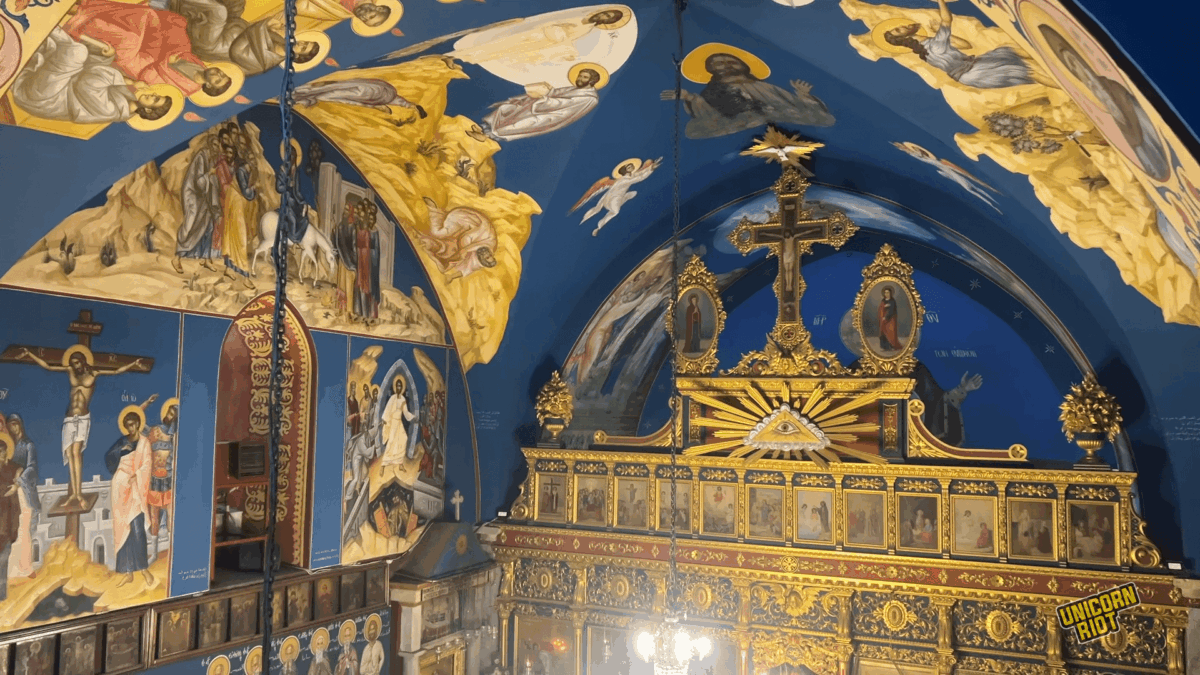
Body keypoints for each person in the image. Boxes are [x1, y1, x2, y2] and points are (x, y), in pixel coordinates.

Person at [16, 345, 145, 508]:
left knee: (77, 453)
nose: (75, 365)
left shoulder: (93, 373)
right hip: (69, 418)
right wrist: (29, 353)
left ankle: (79, 494)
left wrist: (133, 363)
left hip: (83, 418)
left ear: (83, 361)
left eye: (77, 362)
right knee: (70, 454)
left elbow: (116, 371)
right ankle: (74, 494)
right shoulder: (70, 371)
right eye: (73, 363)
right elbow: (48, 366)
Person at [1037, 24, 1169, 181]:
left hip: (1142, 126)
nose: (1077, 69)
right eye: (1072, 66)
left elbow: (1129, 108)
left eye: (1076, 62)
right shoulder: (1095, 95)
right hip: (1131, 131)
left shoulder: (1110, 86)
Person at [840, 311, 982, 446]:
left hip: (907, 442)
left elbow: (936, 401)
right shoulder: (857, 368)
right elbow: (839, 402)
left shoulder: (914, 368)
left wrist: (961, 389)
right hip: (864, 443)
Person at [61, 0, 232, 98]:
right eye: (222, 74)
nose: (218, 74)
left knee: (130, 38)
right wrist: (175, 52)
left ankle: (79, 20)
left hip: (138, 63)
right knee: (147, 16)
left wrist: (166, 61)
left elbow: (148, 77)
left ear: (209, 86)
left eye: (218, 80)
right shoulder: (200, 65)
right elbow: (182, 48)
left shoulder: (184, 90)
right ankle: (85, 7)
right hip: (153, 51)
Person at [10, 27, 176, 125]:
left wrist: (130, 81)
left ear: (148, 109)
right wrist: (106, 56)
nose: (152, 94)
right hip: (54, 84)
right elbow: (92, 71)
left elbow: (88, 82)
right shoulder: (126, 97)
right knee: (68, 49)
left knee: (76, 52)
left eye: (155, 99)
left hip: (42, 97)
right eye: (157, 95)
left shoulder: (111, 111)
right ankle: (43, 25)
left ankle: (44, 23)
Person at [882, 0, 1053, 90]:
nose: (902, 26)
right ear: (904, 37)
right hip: (975, 71)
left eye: (898, 27)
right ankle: (1064, 82)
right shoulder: (932, 46)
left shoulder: (929, 47)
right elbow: (947, 20)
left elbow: (965, 45)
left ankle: (1048, 60)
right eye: (898, 30)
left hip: (974, 66)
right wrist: (941, 2)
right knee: (1029, 73)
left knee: (1009, 51)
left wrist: (938, 33)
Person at [662, 51, 834, 139]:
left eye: (732, 61)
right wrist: (690, 98)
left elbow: (792, 104)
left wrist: (803, 96)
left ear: (742, 65)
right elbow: (710, 115)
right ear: (711, 70)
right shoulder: (712, 91)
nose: (726, 65)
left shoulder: (764, 87)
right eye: (719, 63)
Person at [481, 64, 604, 141]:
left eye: (584, 77)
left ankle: (490, 135)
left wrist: (545, 98)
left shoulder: (590, 98)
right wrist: (543, 91)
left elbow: (563, 105)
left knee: (523, 123)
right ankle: (486, 127)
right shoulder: (573, 89)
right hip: (540, 107)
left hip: (550, 117)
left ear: (592, 80)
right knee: (508, 108)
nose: (580, 79)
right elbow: (554, 92)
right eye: (580, 76)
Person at [104, 407, 154, 587]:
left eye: (133, 424)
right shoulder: (122, 441)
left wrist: (137, 475)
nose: (131, 428)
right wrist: (120, 450)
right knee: (122, 529)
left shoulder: (144, 443)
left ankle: (143, 569)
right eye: (128, 426)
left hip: (136, 487)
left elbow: (147, 464)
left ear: (138, 424)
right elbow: (109, 459)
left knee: (137, 528)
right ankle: (127, 572)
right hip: (120, 487)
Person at [215, 126, 259, 285]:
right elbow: (246, 192)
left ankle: (229, 268)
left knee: (233, 235)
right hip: (235, 202)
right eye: (251, 159)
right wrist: (254, 190)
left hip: (236, 202)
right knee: (239, 237)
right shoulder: (241, 170)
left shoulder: (245, 168)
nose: (253, 161)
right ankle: (245, 275)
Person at [229, 13, 321, 75]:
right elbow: (263, 33)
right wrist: (272, 25)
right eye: (305, 42)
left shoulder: (266, 61)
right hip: (235, 31)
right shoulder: (282, 41)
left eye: (303, 48)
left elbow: (236, 51)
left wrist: (267, 23)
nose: (301, 43)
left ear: (296, 55)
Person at [142, 397, 178, 557]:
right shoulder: (154, 431)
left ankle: (171, 552)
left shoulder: (176, 436)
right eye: (169, 413)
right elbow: (138, 420)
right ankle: (155, 553)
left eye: (173, 415)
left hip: (169, 480)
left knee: (170, 516)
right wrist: (147, 403)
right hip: (154, 480)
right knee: (154, 517)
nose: (169, 417)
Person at [7, 414, 39, 579]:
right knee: (14, 529)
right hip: (11, 493)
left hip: (24, 491)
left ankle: (26, 568)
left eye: (15, 424)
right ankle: (13, 570)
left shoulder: (28, 445)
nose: (13, 428)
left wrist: (19, 479)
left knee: (24, 529)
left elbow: (32, 467)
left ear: (20, 424)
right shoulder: (10, 446)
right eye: (10, 425)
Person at [295, 78, 426, 118]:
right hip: (366, 92)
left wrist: (415, 107)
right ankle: (303, 94)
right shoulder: (388, 96)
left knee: (330, 93)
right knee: (331, 93)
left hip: (371, 92)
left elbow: (404, 103)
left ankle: (303, 95)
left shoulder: (390, 95)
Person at [0, 432, 21, 601]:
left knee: (3, 560)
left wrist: (16, 484)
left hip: (7, 519)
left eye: (3, 451)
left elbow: (20, 470)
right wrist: (12, 486)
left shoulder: (12, 467)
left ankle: (1, 595)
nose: (2, 454)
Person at [380, 375, 415, 468]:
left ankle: (399, 462)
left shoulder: (403, 399)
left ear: (402, 387)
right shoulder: (392, 398)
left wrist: (413, 417)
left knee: (404, 439)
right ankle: (384, 464)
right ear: (395, 387)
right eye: (397, 386)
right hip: (392, 423)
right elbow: (387, 410)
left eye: (400, 386)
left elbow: (406, 413)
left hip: (399, 423)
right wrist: (384, 420)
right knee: (391, 442)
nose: (399, 388)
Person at [877, 286, 901, 352]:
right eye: (885, 293)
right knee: (883, 332)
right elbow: (880, 309)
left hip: (890, 320)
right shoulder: (883, 300)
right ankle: (885, 347)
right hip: (883, 320)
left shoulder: (892, 301)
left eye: (888, 292)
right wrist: (884, 307)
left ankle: (892, 346)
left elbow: (892, 310)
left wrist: (886, 317)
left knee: (890, 332)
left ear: (890, 293)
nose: (886, 294)